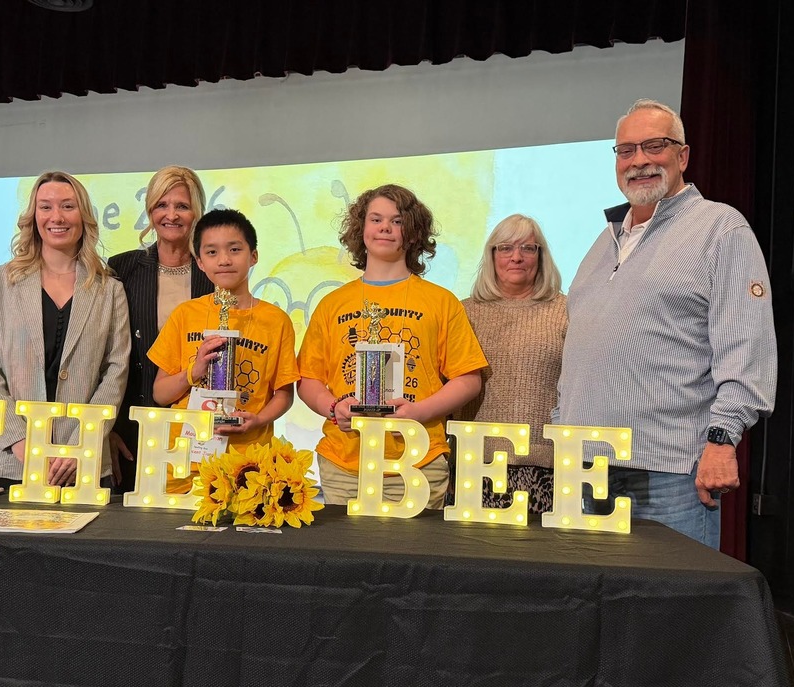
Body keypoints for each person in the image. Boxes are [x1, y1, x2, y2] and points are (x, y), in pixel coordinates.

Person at [553, 99, 777, 548]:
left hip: (668, 470)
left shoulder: (720, 228)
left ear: (683, 155)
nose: (639, 161)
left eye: (654, 146)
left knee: (670, 611)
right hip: (583, 466)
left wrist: (721, 439)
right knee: (591, 608)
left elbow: (746, 348)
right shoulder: (603, 241)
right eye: (626, 150)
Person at [297, 184, 488, 507]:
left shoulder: (441, 302)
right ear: (361, 229)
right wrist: (333, 408)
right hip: (344, 464)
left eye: (397, 221)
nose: (385, 227)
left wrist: (418, 412)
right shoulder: (332, 304)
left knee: (415, 558)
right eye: (376, 219)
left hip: (418, 462)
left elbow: (469, 378)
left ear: (413, 233)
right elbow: (307, 379)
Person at [0, 171, 130, 489]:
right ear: (34, 216)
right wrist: (19, 441)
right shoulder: (0, 281)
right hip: (6, 463)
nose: (56, 216)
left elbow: (116, 372)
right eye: (46, 207)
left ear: (83, 216)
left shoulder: (110, 289)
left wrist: (80, 445)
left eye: (67, 206)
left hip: (80, 465)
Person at [147, 208, 299, 492]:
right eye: (212, 252)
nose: (225, 260)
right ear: (200, 262)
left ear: (253, 255)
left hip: (248, 468)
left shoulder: (276, 320)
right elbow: (160, 393)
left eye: (235, 249)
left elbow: (284, 394)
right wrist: (193, 372)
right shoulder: (185, 314)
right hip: (184, 464)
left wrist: (258, 421)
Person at [107, 166, 214, 492]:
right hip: (131, 428)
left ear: (197, 211)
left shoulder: (216, 271)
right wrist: (105, 429)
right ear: (150, 211)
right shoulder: (121, 267)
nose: (171, 215)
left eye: (182, 206)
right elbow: (104, 355)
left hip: (200, 428)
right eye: (161, 205)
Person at [458, 214, 566, 513]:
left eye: (528, 248)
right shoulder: (462, 313)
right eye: (505, 248)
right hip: (474, 463)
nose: (516, 257)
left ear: (540, 256)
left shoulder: (566, 311)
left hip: (546, 467)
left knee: (538, 558)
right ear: (491, 255)